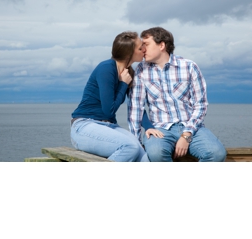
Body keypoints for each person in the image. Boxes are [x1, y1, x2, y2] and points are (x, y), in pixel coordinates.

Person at [127, 27, 227, 162]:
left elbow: (201, 105)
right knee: (156, 153)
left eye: (146, 44)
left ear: (162, 45)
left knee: (217, 153)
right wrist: (136, 143)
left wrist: (186, 135)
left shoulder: (189, 67)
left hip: (191, 127)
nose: (143, 49)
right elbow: (136, 108)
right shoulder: (141, 70)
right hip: (159, 129)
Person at [70, 31, 149, 162]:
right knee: (130, 147)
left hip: (109, 126)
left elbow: (137, 106)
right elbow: (108, 110)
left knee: (144, 157)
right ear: (130, 52)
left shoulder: (129, 73)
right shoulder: (106, 68)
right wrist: (123, 84)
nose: (144, 50)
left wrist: (150, 127)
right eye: (140, 48)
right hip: (84, 126)